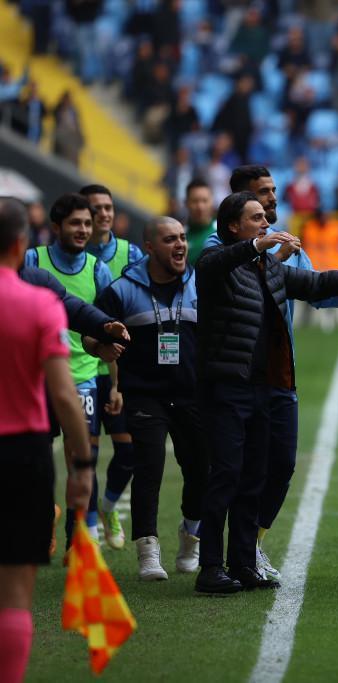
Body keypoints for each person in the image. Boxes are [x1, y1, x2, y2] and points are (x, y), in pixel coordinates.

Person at [194, 192, 338, 594]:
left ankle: (241, 565)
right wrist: (259, 246)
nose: (265, 222)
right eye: (256, 218)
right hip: (226, 386)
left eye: (265, 218)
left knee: (253, 478)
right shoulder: (216, 263)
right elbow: (211, 265)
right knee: (225, 475)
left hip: (262, 386)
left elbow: (317, 282)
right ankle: (209, 568)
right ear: (233, 227)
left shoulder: (269, 271)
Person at [220, 165, 338, 582]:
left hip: (279, 370)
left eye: (273, 192)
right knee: (229, 470)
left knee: (281, 464)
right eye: (262, 194)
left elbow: (315, 288)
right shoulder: (219, 249)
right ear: (237, 203)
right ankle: (212, 548)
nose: (272, 200)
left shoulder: (285, 241)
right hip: (234, 374)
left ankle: (251, 545)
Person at [0, 199, 94, 683]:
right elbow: (63, 393)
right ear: (22, 244)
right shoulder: (39, 304)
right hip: (23, 454)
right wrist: (82, 465)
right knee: (15, 591)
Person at [91, 217, 207, 581]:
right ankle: (147, 550)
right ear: (150, 247)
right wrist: (102, 345)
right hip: (144, 395)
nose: (180, 245)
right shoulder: (122, 289)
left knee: (200, 469)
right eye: (170, 239)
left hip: (192, 393)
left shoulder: (200, 284)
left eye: (183, 238)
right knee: (149, 467)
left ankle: (191, 537)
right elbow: (90, 336)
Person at [24, 194, 113, 548]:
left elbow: (104, 327)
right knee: (38, 456)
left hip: (84, 376)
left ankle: (77, 537)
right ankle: (46, 514)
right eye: (75, 223)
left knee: (81, 456)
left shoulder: (98, 269)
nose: (83, 230)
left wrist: (115, 381)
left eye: (87, 224)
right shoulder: (34, 261)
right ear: (56, 227)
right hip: (41, 376)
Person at [82, 184, 143, 551]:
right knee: (84, 454)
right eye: (96, 208)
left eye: (108, 207)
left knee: (129, 451)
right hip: (83, 366)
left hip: (121, 369)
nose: (104, 213)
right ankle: (88, 523)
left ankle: (108, 506)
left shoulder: (130, 253)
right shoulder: (74, 255)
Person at [184, 179, 216, 266]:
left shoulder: (223, 231)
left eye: (204, 201)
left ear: (212, 202)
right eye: (195, 201)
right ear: (186, 203)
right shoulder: (181, 237)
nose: (200, 207)